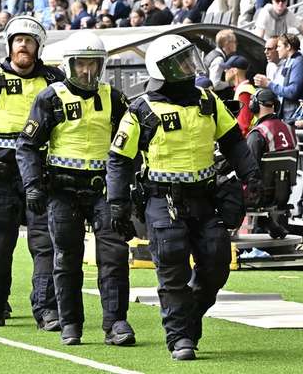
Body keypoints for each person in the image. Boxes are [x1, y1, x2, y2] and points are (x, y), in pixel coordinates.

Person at [107, 34, 259, 361]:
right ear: (162, 70)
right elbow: (119, 158)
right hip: (163, 200)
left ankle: (188, 317)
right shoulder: (141, 109)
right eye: (181, 63)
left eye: (190, 59)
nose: (189, 67)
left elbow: (233, 140)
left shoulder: (207, 99)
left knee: (217, 263)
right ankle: (179, 339)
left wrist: (251, 175)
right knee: (172, 268)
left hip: (205, 196)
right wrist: (117, 203)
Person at [16, 30, 134, 347]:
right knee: (67, 257)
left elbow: (132, 144)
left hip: (103, 189)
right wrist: (32, 187)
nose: (87, 71)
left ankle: (116, 322)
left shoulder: (114, 98)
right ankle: (70, 323)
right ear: (70, 65)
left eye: (94, 65)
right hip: (62, 190)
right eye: (82, 64)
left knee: (114, 255)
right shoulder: (50, 98)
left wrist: (130, 187)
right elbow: (27, 146)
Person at [0, 15, 63, 329]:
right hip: (1, 174)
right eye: (18, 41)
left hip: (42, 174)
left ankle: (46, 309)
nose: (23, 46)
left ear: (38, 47)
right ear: (9, 45)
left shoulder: (54, 79)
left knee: (45, 244)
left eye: (29, 42)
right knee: (0, 245)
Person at [245, 88, 298, 239]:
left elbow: (248, 169)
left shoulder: (257, 134)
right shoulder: (289, 130)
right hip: (283, 193)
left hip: (257, 196)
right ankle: (265, 222)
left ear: (255, 106)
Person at [253, 33, 303, 121]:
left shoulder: (299, 62)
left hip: (294, 117)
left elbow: (292, 92)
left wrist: (269, 84)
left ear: (288, 47)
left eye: (279, 46)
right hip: (287, 115)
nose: (277, 50)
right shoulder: (290, 61)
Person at [224, 55, 255, 136]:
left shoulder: (244, 92)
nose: (224, 71)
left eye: (227, 68)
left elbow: (244, 124)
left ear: (234, 71)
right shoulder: (243, 89)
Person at [203, 30, 236, 100]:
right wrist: (230, 84)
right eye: (234, 42)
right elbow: (215, 85)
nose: (236, 44)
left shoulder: (213, 53)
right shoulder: (219, 59)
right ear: (227, 44)